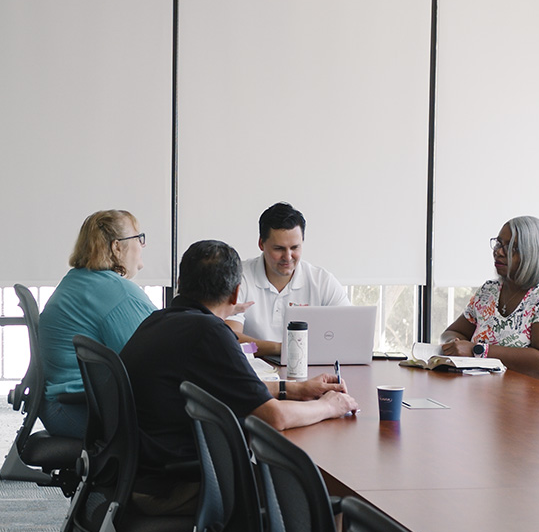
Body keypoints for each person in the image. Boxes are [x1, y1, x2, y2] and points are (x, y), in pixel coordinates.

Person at [120, 240, 358, 515]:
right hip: (176, 486)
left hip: (141, 475)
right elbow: (274, 419)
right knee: (315, 493)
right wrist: (330, 406)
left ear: (180, 282)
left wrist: (296, 389)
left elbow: (234, 388)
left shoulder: (161, 321)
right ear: (235, 294)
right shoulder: (208, 333)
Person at [441, 216, 539, 400]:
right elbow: (452, 332)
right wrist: (455, 345)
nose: (499, 252)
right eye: (498, 244)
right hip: (501, 395)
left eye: (512, 248)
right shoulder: (489, 290)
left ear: (534, 253)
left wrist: (477, 351)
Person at [39, 210, 156, 438]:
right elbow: (152, 357)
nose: (142, 246)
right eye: (138, 238)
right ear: (116, 247)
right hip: (81, 409)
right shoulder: (116, 293)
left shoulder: (78, 280)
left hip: (62, 405)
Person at [226, 202, 350, 355]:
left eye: (295, 248)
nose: (288, 257)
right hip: (253, 370)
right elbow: (231, 340)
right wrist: (282, 349)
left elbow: (348, 335)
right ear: (261, 244)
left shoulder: (322, 281)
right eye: (279, 248)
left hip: (309, 371)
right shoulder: (240, 277)